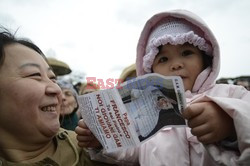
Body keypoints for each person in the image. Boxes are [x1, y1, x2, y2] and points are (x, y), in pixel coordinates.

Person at [75, 9, 250, 165]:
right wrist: (103, 140)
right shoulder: (145, 109)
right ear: (150, 70)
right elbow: (134, 152)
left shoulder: (231, 94)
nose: (175, 65)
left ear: (205, 59)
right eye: (163, 59)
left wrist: (231, 123)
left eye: (186, 53)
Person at [0, 27, 116, 166]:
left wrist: (103, 147)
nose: (56, 89)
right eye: (34, 75)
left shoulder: (94, 150)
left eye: (53, 79)